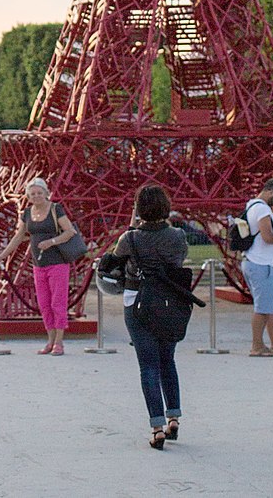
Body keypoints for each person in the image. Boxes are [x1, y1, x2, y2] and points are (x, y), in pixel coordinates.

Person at [102, 184, 188, 449]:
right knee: (167, 360)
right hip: (168, 302)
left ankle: (157, 426)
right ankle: (174, 415)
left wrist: (132, 228)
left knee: (148, 365)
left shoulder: (130, 239)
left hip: (137, 301)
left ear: (139, 210)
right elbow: (179, 259)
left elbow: (114, 261)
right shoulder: (177, 236)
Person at [0, 177, 78, 356]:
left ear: (46, 193)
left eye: (39, 193)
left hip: (58, 262)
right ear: (28, 196)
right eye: (33, 194)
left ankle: (59, 342)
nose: (36, 196)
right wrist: (1, 255)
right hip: (39, 264)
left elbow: (70, 232)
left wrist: (51, 242)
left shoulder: (55, 209)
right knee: (44, 304)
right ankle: (50, 340)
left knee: (57, 303)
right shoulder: (27, 213)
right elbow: (18, 236)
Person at [241, 179, 273, 356]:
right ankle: (257, 345)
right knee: (262, 308)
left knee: (264, 306)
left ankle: (261, 344)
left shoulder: (251, 205)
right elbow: (267, 236)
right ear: (270, 192)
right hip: (260, 263)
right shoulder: (262, 209)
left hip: (253, 261)